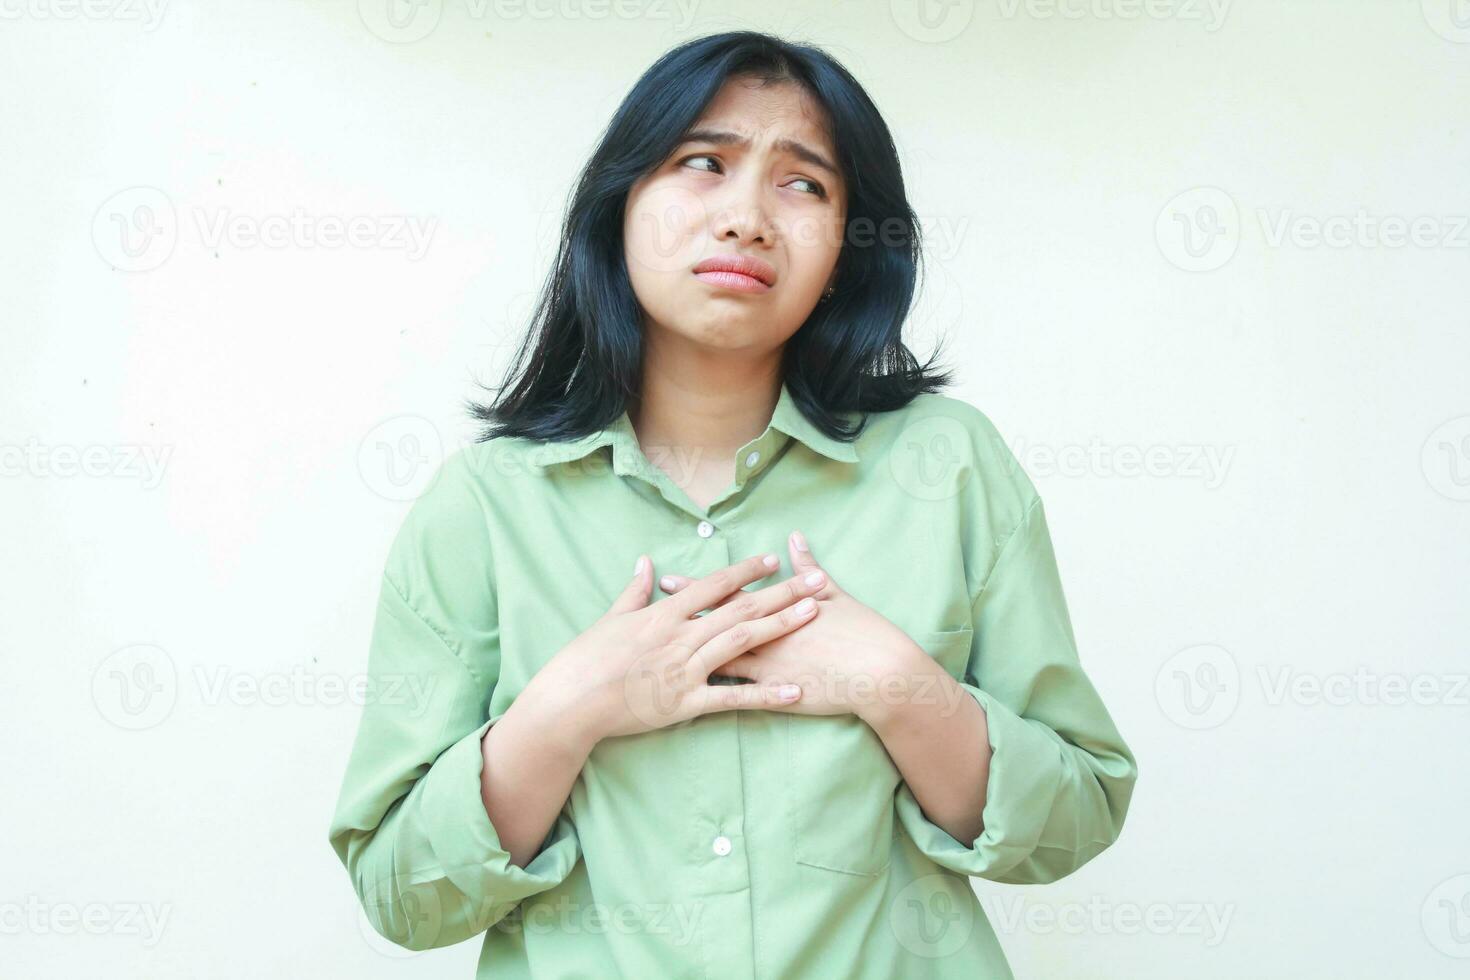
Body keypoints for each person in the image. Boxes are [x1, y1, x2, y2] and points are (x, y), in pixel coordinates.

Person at [328, 29, 1137, 979]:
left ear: (845, 250)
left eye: (805, 185)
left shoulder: (948, 465)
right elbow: (400, 896)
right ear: (619, 205)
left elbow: (1074, 821)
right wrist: (570, 708)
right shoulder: (485, 505)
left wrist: (896, 683)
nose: (748, 216)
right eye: (701, 163)